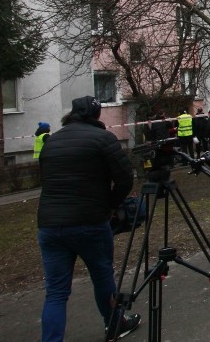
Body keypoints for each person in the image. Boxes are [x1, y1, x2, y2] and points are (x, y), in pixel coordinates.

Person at [36, 96, 141, 342]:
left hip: (50, 225)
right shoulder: (103, 139)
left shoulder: (52, 141)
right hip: (89, 222)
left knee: (56, 292)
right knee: (102, 275)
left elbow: (46, 179)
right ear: (96, 116)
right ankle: (115, 324)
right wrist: (111, 205)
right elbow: (125, 178)